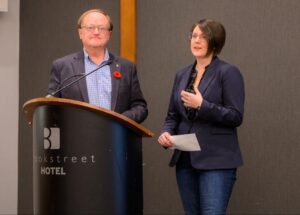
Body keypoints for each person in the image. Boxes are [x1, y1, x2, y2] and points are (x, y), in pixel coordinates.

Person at [158, 19, 245, 215]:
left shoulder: (228, 73)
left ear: (215, 42)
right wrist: (166, 132)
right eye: (194, 36)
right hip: (185, 160)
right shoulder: (182, 75)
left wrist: (202, 106)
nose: (196, 41)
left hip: (216, 162)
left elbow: (236, 116)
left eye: (203, 36)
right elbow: (172, 115)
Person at [47, 8, 147, 123]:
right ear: (80, 33)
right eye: (90, 28)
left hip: (116, 136)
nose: (96, 32)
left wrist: (122, 120)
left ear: (109, 34)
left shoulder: (127, 67)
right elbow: (50, 104)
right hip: (77, 137)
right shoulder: (62, 66)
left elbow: (140, 107)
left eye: (101, 28)